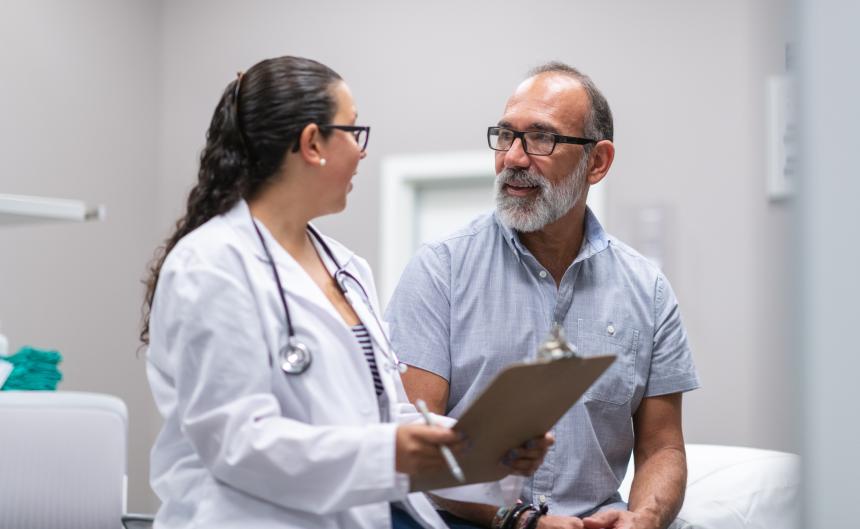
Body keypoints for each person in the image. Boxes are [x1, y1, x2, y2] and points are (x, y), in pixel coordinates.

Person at [140, 56, 552, 529]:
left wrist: (485, 447)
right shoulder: (210, 265)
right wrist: (388, 453)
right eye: (353, 132)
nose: (362, 151)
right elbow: (237, 443)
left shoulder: (346, 268)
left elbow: (381, 414)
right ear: (312, 143)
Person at [385, 62, 700, 529]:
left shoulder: (646, 291)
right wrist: (521, 521)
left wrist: (645, 518)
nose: (513, 157)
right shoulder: (441, 270)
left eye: (540, 138)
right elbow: (414, 448)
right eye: (505, 135)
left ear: (598, 161)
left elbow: (662, 447)